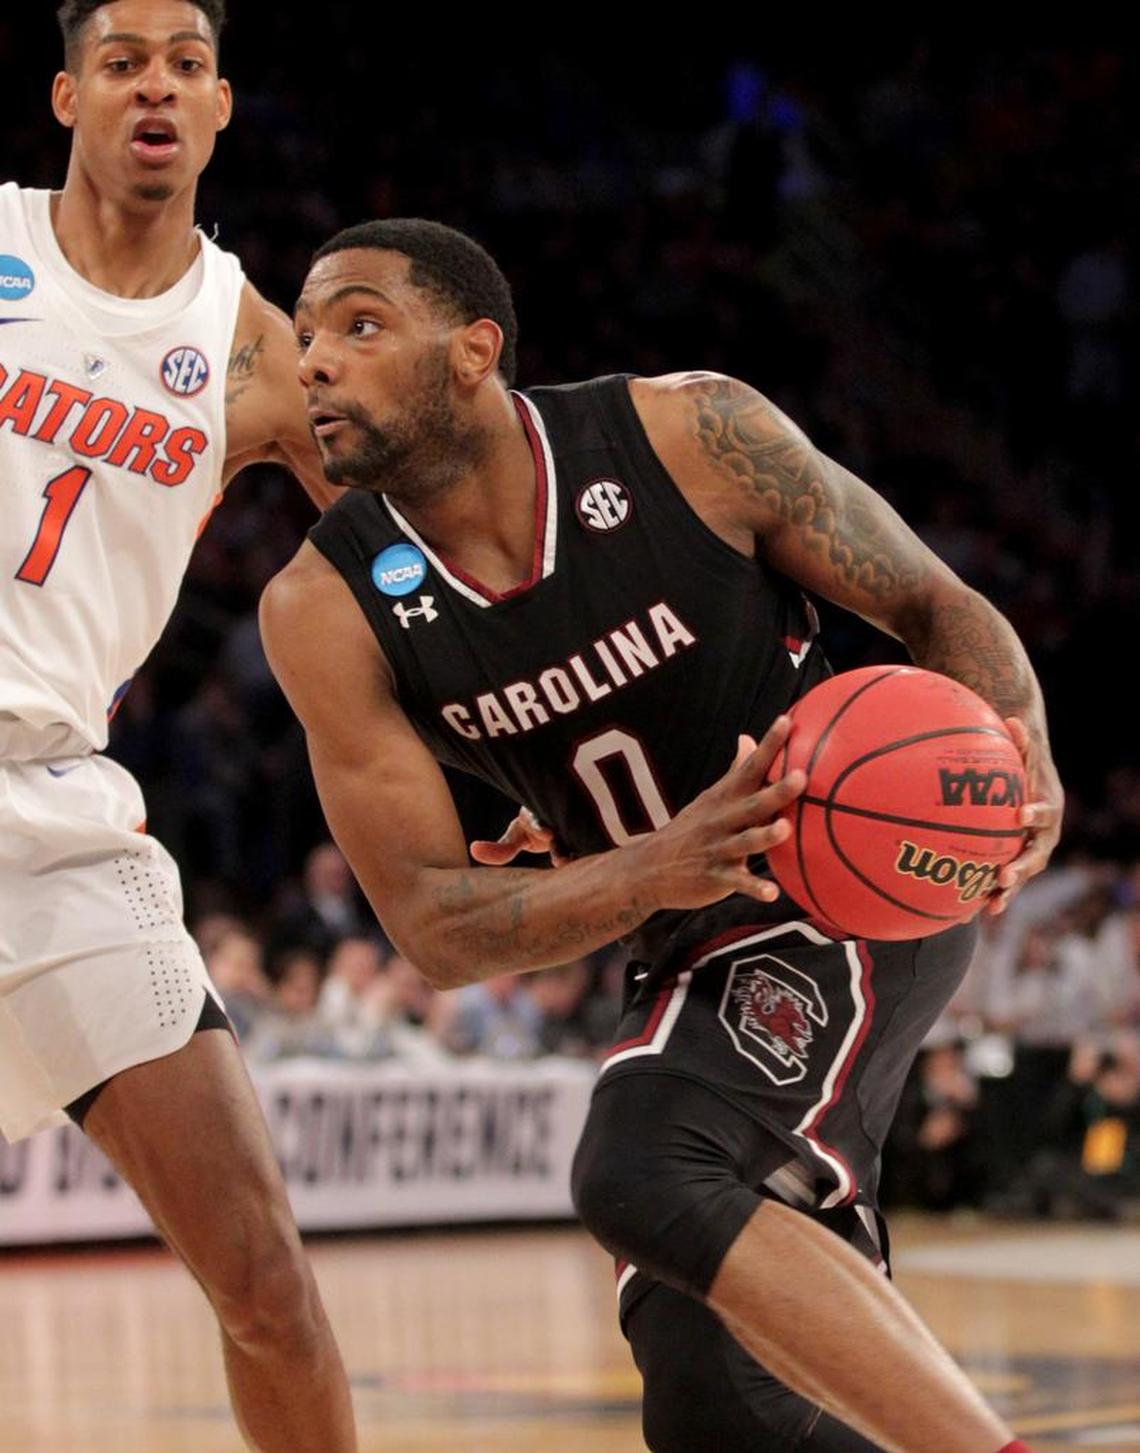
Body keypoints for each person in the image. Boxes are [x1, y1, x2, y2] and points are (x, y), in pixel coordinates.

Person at [260, 216, 1063, 1453]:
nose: (314, 360)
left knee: (643, 1161)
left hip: (849, 883)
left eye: (360, 325)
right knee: (712, 1408)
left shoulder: (689, 434)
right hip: (682, 936)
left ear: (475, 350)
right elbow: (433, 927)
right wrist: (647, 866)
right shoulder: (324, 608)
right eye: (306, 336)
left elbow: (929, 601)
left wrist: (1021, 742)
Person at [0, 3, 355, 1448]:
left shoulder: (259, 349)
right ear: (69, 94)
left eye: (187, 65)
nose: (158, 84)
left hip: (55, 814)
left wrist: (495, 753)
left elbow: (422, 573)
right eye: (128, 60)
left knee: (265, 1279)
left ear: (219, 110)